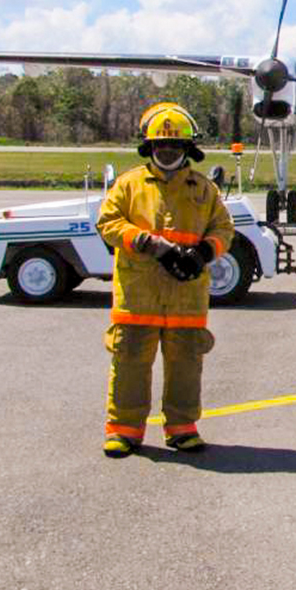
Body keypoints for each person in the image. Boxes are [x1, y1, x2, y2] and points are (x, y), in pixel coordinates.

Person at [96, 103, 235, 457]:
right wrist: (148, 243)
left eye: (174, 146)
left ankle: (182, 428)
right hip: (137, 296)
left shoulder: (205, 190)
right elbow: (108, 224)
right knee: (129, 363)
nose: (168, 151)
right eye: (160, 145)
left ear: (188, 149)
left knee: (186, 365)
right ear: (149, 147)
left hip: (187, 297)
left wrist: (204, 253)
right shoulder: (128, 185)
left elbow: (223, 229)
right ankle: (124, 431)